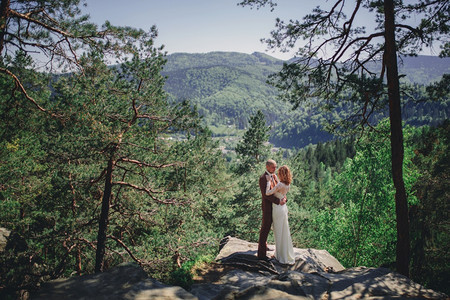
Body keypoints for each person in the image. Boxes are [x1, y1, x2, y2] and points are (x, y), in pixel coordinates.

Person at [257, 159, 287, 261]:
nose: (275, 168)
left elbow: (278, 189)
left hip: (275, 208)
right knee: (265, 228)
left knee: (269, 228)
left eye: (275, 166)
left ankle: (264, 245)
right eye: (273, 167)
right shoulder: (263, 178)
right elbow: (266, 196)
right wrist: (278, 201)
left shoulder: (274, 176)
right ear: (267, 167)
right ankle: (261, 254)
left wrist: (283, 197)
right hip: (268, 208)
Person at [265, 165, 295, 265]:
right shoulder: (287, 184)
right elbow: (283, 195)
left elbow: (268, 193)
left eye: (279, 173)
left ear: (281, 174)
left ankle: (280, 256)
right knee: (284, 231)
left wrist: (269, 181)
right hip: (283, 208)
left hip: (277, 209)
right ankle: (283, 253)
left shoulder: (279, 185)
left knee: (278, 232)